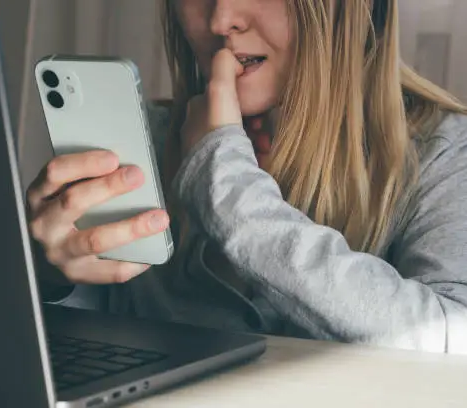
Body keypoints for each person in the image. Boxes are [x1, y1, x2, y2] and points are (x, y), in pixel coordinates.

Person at [26, 0, 467, 354]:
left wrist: (225, 184)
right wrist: (49, 278)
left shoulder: (445, 154)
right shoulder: (140, 144)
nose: (221, 18)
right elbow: (93, 342)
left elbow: (451, 342)